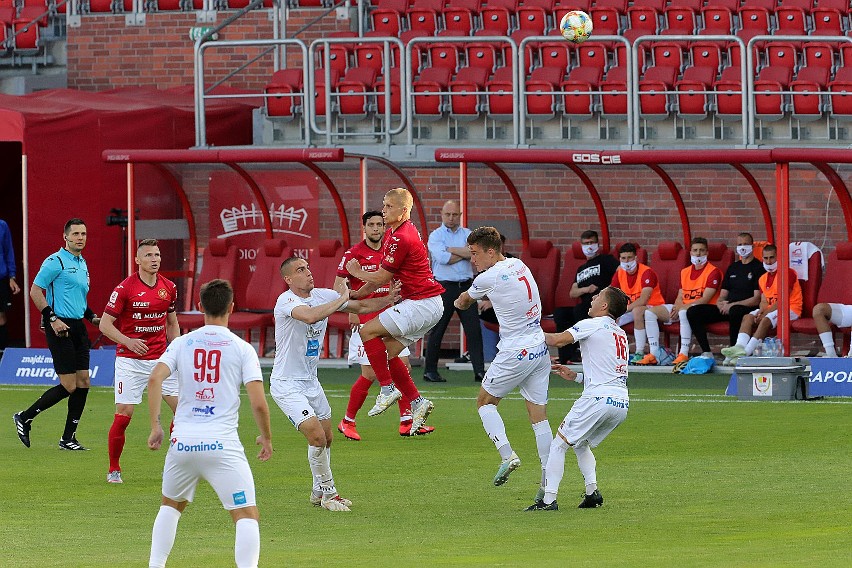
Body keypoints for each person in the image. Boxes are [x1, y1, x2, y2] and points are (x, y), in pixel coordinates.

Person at [146, 279, 273, 568]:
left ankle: (155, 566)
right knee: (245, 514)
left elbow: (155, 379)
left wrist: (156, 425)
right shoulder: (242, 349)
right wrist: (266, 437)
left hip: (183, 443)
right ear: (232, 307)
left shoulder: (182, 343)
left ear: (200, 306)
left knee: (171, 507)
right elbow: (258, 403)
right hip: (221, 445)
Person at [271, 256, 402, 511]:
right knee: (317, 437)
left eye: (308, 267)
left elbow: (360, 307)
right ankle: (330, 494)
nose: (308, 272)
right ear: (288, 279)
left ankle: (317, 491)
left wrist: (388, 300)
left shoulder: (323, 295)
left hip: (311, 381)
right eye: (300, 270)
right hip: (286, 383)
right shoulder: (286, 300)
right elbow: (309, 317)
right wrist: (341, 299)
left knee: (328, 438)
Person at [453, 227, 553, 492]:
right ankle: (546, 482)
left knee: (485, 402)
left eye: (475, 254)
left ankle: (507, 454)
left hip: (515, 351)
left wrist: (458, 301)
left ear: (490, 251)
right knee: (538, 417)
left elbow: (463, 302)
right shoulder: (518, 264)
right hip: (539, 348)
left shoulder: (488, 277)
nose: (472, 260)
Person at [345, 187, 443, 433]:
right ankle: (417, 402)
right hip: (427, 304)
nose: (384, 209)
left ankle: (387, 389)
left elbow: (380, 276)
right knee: (388, 354)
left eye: (389, 206)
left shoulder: (400, 237)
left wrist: (356, 273)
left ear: (403, 210)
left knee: (367, 331)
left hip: (421, 302)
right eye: (384, 204)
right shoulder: (396, 232)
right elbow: (381, 276)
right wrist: (359, 293)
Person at [525, 286, 630, 511]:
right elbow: (611, 372)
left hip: (597, 399)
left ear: (604, 306)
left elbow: (556, 340)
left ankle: (548, 500)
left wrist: (525, 332)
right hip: (620, 402)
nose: (593, 298)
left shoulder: (590, 324)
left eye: (598, 296)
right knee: (580, 444)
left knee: (558, 445)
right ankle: (592, 493)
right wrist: (577, 377)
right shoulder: (620, 333)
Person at [13, 218, 100, 451]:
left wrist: (92, 317)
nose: (80, 237)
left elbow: (79, 299)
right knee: (69, 385)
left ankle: (68, 438)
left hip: (79, 328)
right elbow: (34, 291)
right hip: (59, 328)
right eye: (76, 234)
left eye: (84, 233)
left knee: (84, 383)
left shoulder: (82, 263)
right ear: (66, 237)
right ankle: (25, 416)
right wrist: (52, 318)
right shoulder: (55, 261)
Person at [99, 239, 181, 483]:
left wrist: (176, 351)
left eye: (157, 254)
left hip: (161, 360)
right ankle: (114, 468)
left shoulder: (169, 287)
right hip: (130, 360)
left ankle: (174, 467)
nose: (154, 259)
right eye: (148, 255)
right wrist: (128, 340)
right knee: (124, 414)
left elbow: (172, 322)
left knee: (183, 411)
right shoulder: (124, 289)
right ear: (137, 260)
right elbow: (105, 325)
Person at [424, 200, 485, 383]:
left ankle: (480, 371)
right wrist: (463, 253)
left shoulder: (468, 234)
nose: (451, 218)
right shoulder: (436, 236)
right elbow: (442, 259)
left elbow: (475, 255)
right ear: (442, 214)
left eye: (455, 215)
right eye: (448, 214)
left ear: (460, 215)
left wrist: (452, 250)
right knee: (438, 329)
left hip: (466, 287)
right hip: (444, 287)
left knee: (474, 330)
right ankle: (430, 371)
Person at [640, 237, 723, 365]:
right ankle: (654, 353)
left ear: (707, 252)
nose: (698, 253)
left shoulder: (713, 271)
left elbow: (706, 298)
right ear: (690, 252)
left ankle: (683, 353)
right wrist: (677, 306)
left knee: (685, 311)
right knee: (649, 313)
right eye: (695, 250)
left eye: (702, 250)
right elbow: (680, 294)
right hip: (683, 306)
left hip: (703, 309)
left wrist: (682, 308)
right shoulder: (685, 271)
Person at [687, 233, 765, 359]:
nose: (743, 247)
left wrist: (732, 305)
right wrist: (720, 303)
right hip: (728, 306)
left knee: (735, 311)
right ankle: (707, 352)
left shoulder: (759, 268)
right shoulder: (733, 267)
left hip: (746, 308)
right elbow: (723, 294)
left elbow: (756, 299)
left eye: (746, 244)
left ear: (752, 246)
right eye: (740, 244)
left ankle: (733, 352)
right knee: (693, 311)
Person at [721, 244, 803, 363]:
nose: (769, 261)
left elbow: (782, 301)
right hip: (771, 309)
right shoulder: (762, 278)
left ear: (778, 258)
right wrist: (761, 311)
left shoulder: (788, 273)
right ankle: (738, 348)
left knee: (766, 319)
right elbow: (764, 301)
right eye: (766, 258)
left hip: (791, 308)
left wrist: (764, 314)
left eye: (772, 258)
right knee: (748, 317)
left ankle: (746, 354)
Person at [552, 230, 619, 364]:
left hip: (600, 304)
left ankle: (580, 350)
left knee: (580, 310)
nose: (589, 246)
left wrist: (606, 292)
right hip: (585, 303)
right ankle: (566, 356)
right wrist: (586, 289)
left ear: (597, 244)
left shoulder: (606, 260)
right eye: (586, 243)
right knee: (560, 313)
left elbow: (620, 275)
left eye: (592, 242)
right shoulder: (581, 268)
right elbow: (573, 292)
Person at [608, 243, 666, 363]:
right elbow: (611, 294)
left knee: (637, 310)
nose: (626, 261)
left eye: (629, 258)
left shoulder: (646, 272)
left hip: (653, 306)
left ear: (636, 258)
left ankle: (639, 351)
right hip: (631, 308)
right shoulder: (619, 273)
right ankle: (611, 355)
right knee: (607, 319)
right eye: (623, 258)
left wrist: (622, 310)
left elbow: (643, 300)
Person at [0, 217, 21, 351]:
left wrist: (12, 276)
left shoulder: (2, 226)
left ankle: (2, 352)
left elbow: (9, 251)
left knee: (1, 316)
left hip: (1, 277)